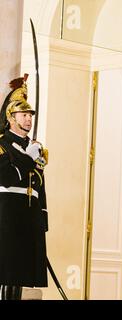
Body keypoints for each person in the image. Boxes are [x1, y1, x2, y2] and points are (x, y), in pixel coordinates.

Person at [0, 75, 49, 300]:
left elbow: (40, 186)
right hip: (8, 216)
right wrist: (27, 159)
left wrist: (42, 219)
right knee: (7, 272)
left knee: (23, 273)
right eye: (24, 115)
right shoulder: (2, 145)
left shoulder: (35, 148)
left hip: (30, 216)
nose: (29, 119)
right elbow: (7, 177)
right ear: (11, 117)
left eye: (30, 115)